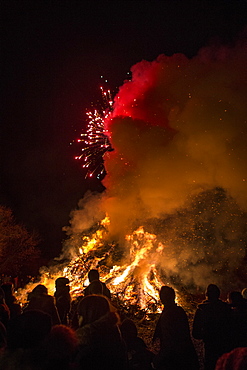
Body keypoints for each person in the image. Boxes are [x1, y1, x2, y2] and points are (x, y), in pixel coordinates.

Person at [75, 294, 128, 370]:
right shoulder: (115, 336)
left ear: (88, 315)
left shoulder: (90, 346)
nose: (78, 318)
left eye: (80, 314)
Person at [152, 285, 199, 370]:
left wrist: (159, 358)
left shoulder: (168, 315)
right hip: (186, 355)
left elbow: (169, 340)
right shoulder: (179, 311)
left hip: (175, 359)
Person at [192, 284, 232, 370]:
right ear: (218, 294)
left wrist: (207, 335)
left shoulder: (202, 310)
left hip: (210, 347)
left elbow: (195, 333)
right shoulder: (226, 308)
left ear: (206, 295)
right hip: (225, 346)